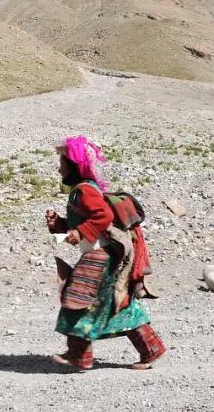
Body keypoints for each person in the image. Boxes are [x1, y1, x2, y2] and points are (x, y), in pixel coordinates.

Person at [46, 135, 167, 371]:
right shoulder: (80, 191)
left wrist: (81, 233)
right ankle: (151, 347)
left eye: (62, 162)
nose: (59, 167)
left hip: (98, 257)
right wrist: (60, 225)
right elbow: (88, 221)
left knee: (78, 300)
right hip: (101, 255)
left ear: (74, 166)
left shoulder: (84, 191)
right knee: (116, 303)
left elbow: (104, 216)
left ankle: (79, 355)